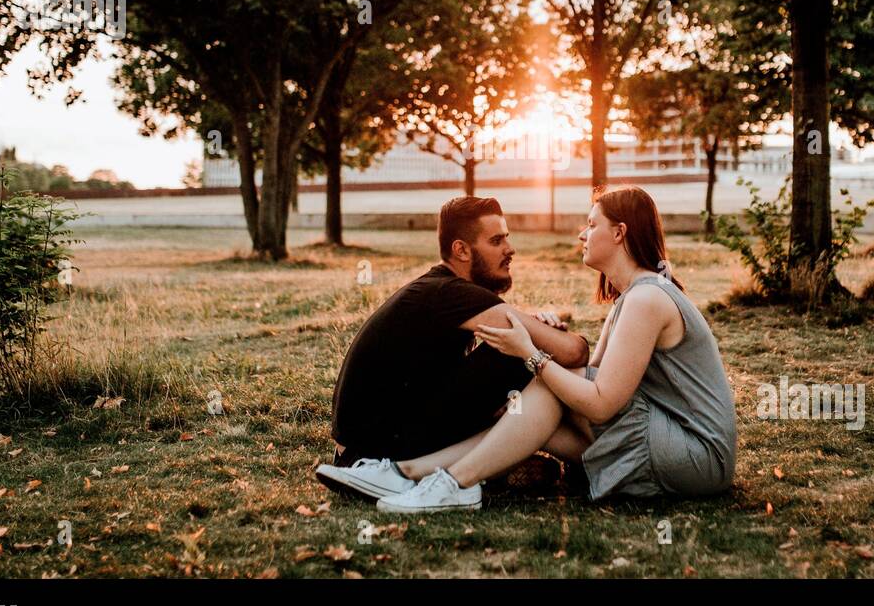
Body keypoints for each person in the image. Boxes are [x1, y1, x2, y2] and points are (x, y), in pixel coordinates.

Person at [317, 185, 737, 513]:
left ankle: (453, 483)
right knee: (532, 417)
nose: (582, 233)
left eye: (592, 224)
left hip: (698, 453)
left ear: (619, 232)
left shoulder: (646, 299)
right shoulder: (632, 297)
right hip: (671, 443)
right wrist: (536, 348)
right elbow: (586, 374)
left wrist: (531, 354)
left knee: (546, 386)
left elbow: (600, 402)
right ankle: (409, 473)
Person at [316, 196, 588, 500]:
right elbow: (574, 352)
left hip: (369, 443)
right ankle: (593, 458)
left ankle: (580, 460)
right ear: (461, 250)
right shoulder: (450, 293)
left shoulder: (441, 289)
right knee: (515, 354)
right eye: (496, 241)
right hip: (374, 454)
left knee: (521, 348)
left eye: (506, 238)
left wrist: (537, 330)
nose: (510, 249)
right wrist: (544, 335)